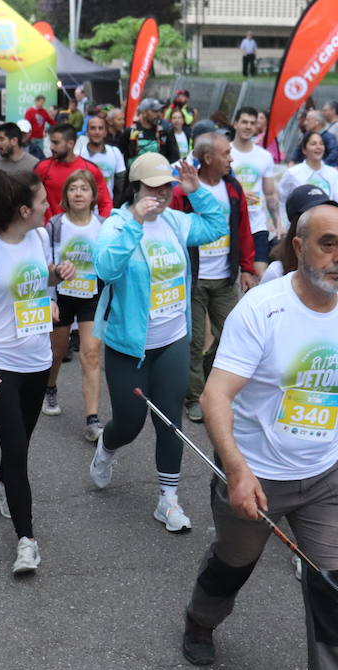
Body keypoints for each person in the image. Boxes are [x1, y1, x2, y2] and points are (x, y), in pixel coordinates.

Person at [183, 203, 338, 670]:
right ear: (299, 245)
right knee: (233, 563)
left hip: (328, 474)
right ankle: (200, 619)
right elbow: (215, 395)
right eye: (328, 244)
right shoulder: (261, 310)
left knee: (333, 586)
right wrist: (238, 472)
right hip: (258, 476)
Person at [89, 154, 227, 531]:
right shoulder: (115, 225)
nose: (162, 194)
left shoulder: (175, 222)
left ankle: (168, 501)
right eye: (153, 187)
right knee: (130, 424)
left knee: (170, 424)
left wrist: (196, 190)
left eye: (166, 186)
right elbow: (105, 268)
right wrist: (135, 222)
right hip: (128, 345)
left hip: (173, 340)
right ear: (136, 188)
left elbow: (216, 225)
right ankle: (107, 448)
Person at [0, 172, 72, 574]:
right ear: (23, 210)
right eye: (41, 202)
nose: (47, 208)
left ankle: (1, 485)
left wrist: (54, 284)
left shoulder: (38, 239)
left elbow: (37, 281)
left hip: (38, 361)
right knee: (18, 451)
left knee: (18, 444)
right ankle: (27, 541)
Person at [168, 132, 258, 424]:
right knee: (193, 341)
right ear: (208, 158)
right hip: (192, 279)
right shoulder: (182, 191)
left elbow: (242, 228)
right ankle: (194, 397)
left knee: (232, 335)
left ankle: (211, 384)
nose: (231, 158)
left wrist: (247, 268)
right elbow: (171, 232)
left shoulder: (232, 188)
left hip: (224, 278)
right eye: (226, 153)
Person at [43, 170, 107, 436]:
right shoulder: (55, 225)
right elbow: (43, 265)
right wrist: (50, 298)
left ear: (93, 195)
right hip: (62, 297)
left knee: (91, 354)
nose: (78, 193)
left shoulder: (104, 226)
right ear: (65, 195)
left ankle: (92, 420)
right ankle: (50, 387)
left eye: (84, 188)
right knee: (56, 351)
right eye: (73, 189)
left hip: (92, 297)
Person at [229, 107, 280, 275]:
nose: (248, 126)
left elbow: (270, 193)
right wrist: (240, 197)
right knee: (233, 278)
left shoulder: (264, 156)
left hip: (257, 224)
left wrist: (277, 222)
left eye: (252, 123)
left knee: (260, 274)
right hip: (230, 224)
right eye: (244, 122)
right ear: (235, 124)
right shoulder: (224, 152)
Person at [35, 123, 112, 221]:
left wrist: (101, 226)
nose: (51, 147)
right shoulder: (42, 167)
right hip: (49, 232)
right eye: (51, 143)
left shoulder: (90, 168)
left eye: (56, 143)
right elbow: (31, 200)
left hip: (81, 232)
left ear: (70, 144)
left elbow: (105, 202)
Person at [277, 131, 338, 215]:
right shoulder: (292, 173)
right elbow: (281, 200)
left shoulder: (332, 173)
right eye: (313, 144)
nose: (318, 147)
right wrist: (283, 224)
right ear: (304, 150)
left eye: (321, 144)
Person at [74, 115, 126, 203]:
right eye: (93, 128)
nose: (97, 132)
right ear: (87, 132)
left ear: (105, 132)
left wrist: (115, 206)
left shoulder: (115, 152)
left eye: (100, 128)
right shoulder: (77, 154)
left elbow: (120, 183)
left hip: (108, 208)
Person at [127, 99, 180, 166]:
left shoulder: (164, 132)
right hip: (134, 175)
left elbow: (175, 157)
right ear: (144, 112)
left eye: (160, 111)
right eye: (155, 111)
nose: (159, 115)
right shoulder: (130, 131)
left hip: (159, 174)